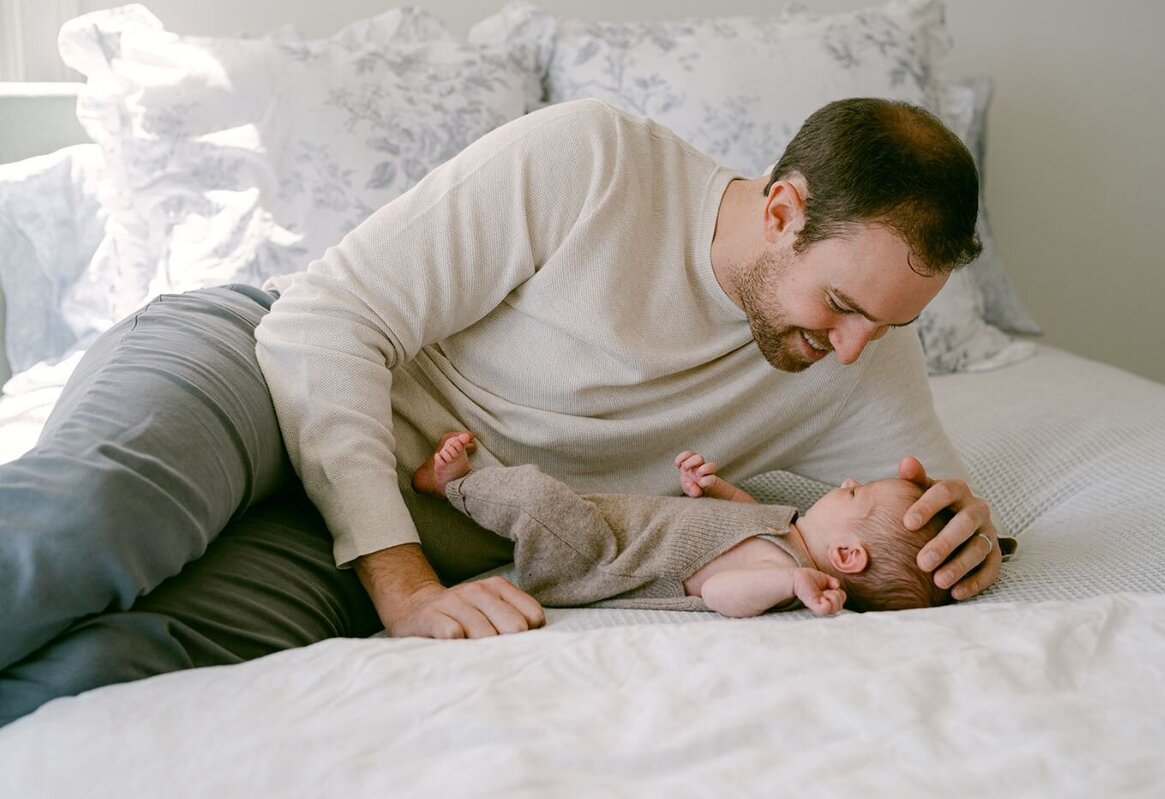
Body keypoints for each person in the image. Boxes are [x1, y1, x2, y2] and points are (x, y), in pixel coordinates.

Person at [0, 96, 1005, 724]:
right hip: (268, 376)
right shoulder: (598, 161)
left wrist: (970, 536)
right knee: (97, 518)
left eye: (887, 323)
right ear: (782, 210)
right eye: (841, 305)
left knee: (105, 670)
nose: (852, 349)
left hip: (388, 535)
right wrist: (398, 583)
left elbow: (925, 513)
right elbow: (329, 323)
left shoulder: (861, 354)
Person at [412, 432, 955, 617]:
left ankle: (451, 485)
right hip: (619, 526)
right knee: (554, 498)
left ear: (846, 556)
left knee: (536, 500)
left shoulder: (783, 568)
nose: (845, 483)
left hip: (599, 561)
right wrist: (713, 490)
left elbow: (721, 591)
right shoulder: (788, 531)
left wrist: (792, 584)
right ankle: (471, 487)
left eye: (854, 494)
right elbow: (745, 517)